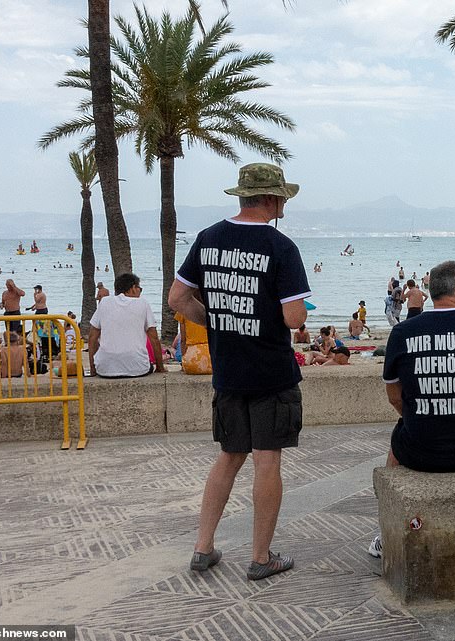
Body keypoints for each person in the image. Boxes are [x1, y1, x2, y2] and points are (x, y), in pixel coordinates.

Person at [168, 162, 310, 581]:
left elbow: (178, 297)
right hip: (271, 372)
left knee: (228, 457)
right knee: (267, 461)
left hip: (228, 371)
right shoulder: (281, 248)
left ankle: (203, 546)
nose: (284, 202)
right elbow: (293, 317)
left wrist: (213, 319)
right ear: (270, 198)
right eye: (282, 196)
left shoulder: (209, 238)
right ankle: (261, 557)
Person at [368, 260, 455, 558]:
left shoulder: (403, 333)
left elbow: (394, 397)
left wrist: (425, 413)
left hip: (421, 453)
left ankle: (385, 532)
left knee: (397, 441)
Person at [88, 273, 164, 378]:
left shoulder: (104, 302)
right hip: (138, 368)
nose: (140, 292)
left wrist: (93, 369)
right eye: (139, 288)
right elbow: (154, 338)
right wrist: (160, 367)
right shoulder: (143, 303)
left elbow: (92, 337)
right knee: (145, 364)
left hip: (105, 369)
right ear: (133, 288)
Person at [175, 308, 212, 375]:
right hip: (211, 360)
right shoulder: (211, 307)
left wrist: (184, 363)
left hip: (192, 360)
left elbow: (183, 340)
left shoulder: (183, 308)